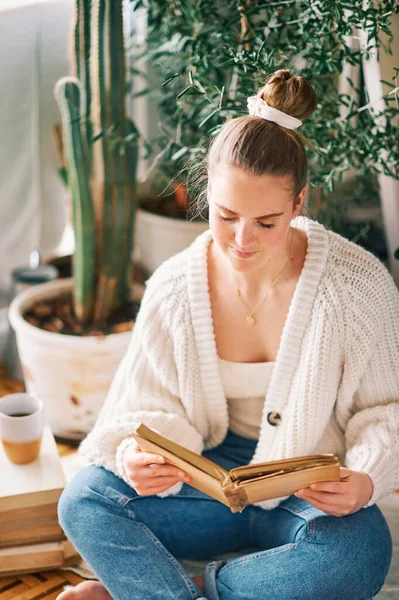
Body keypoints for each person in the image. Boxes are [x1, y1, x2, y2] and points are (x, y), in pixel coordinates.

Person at [56, 69, 397, 600]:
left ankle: (172, 591)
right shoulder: (173, 287)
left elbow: (387, 411)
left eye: (267, 221)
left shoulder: (356, 285)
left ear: (299, 203)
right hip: (201, 489)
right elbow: (141, 411)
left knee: (360, 554)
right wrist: (138, 460)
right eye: (226, 215)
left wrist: (366, 477)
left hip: (305, 492)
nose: (242, 240)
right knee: (84, 500)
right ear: (204, 194)